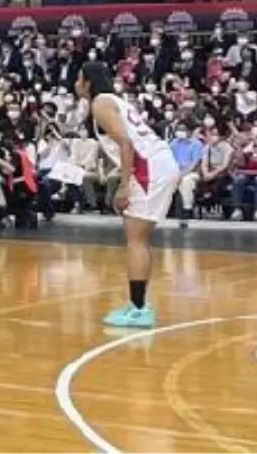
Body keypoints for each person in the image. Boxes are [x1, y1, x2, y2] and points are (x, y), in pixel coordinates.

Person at [77, 61, 179, 328]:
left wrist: (123, 186)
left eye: (78, 78)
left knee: (135, 240)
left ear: (88, 81)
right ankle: (139, 303)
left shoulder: (99, 102)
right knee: (139, 239)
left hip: (148, 169)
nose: (75, 84)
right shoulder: (114, 100)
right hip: (158, 163)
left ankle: (138, 308)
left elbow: (125, 142)